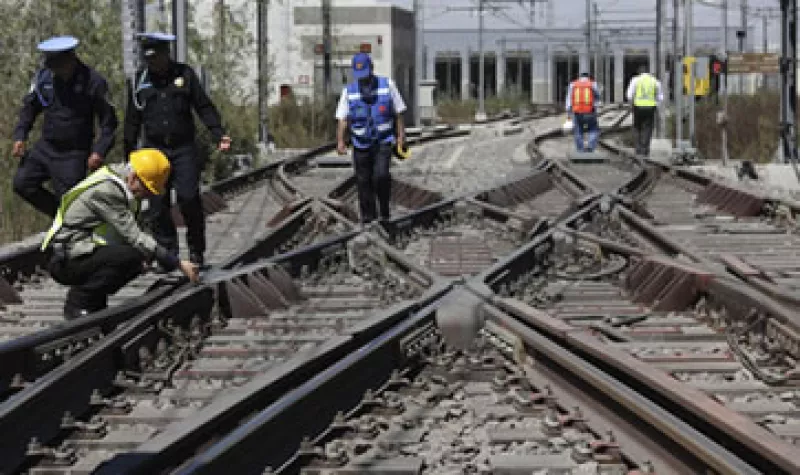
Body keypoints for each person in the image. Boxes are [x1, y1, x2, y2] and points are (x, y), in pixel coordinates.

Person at [41, 149, 200, 320]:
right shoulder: (107, 191)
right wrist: (176, 262)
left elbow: (136, 231)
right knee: (132, 256)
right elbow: (134, 236)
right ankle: (79, 302)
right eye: (147, 189)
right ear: (133, 178)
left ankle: (96, 302)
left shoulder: (126, 190)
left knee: (138, 257)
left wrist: (151, 256)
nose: (148, 195)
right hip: (65, 260)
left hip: (83, 252)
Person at [123, 32, 231, 269]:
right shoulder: (138, 81)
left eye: (157, 58)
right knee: (157, 205)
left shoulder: (185, 74)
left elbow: (203, 106)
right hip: (154, 151)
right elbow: (132, 120)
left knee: (188, 198)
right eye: (149, 59)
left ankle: (196, 251)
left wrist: (218, 133)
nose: (153, 63)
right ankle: (169, 254)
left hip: (183, 148)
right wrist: (128, 154)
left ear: (166, 54)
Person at [11, 36, 118, 218]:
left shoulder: (93, 82)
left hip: (73, 154)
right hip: (46, 148)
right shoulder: (44, 78)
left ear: (70, 59)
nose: (54, 70)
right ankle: (59, 218)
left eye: (57, 65)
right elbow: (29, 109)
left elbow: (109, 123)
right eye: (50, 64)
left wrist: (99, 151)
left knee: (70, 200)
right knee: (22, 183)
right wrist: (20, 136)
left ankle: (71, 227)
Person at [335, 52, 407, 224]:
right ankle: (368, 218)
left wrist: (401, 136)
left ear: (372, 69)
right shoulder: (349, 92)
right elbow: (343, 119)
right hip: (360, 145)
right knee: (363, 181)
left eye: (366, 75)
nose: (364, 80)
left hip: (383, 142)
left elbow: (398, 113)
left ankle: (384, 212)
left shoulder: (387, 85)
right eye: (360, 76)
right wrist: (340, 141)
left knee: (381, 176)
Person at [626, 65, 664, 157]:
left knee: (637, 127)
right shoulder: (655, 81)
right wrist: (657, 105)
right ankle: (645, 149)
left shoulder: (635, 80)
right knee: (648, 128)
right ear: (648, 72)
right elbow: (660, 97)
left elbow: (629, 95)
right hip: (650, 108)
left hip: (638, 107)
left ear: (639, 73)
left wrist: (631, 105)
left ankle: (638, 149)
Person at [565, 72, 601, 153]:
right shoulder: (592, 84)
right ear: (588, 77)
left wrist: (568, 112)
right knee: (593, 129)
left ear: (579, 77)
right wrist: (596, 106)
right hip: (590, 111)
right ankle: (590, 147)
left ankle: (580, 149)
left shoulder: (573, 84)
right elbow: (597, 96)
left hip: (577, 112)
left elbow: (569, 99)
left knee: (578, 131)